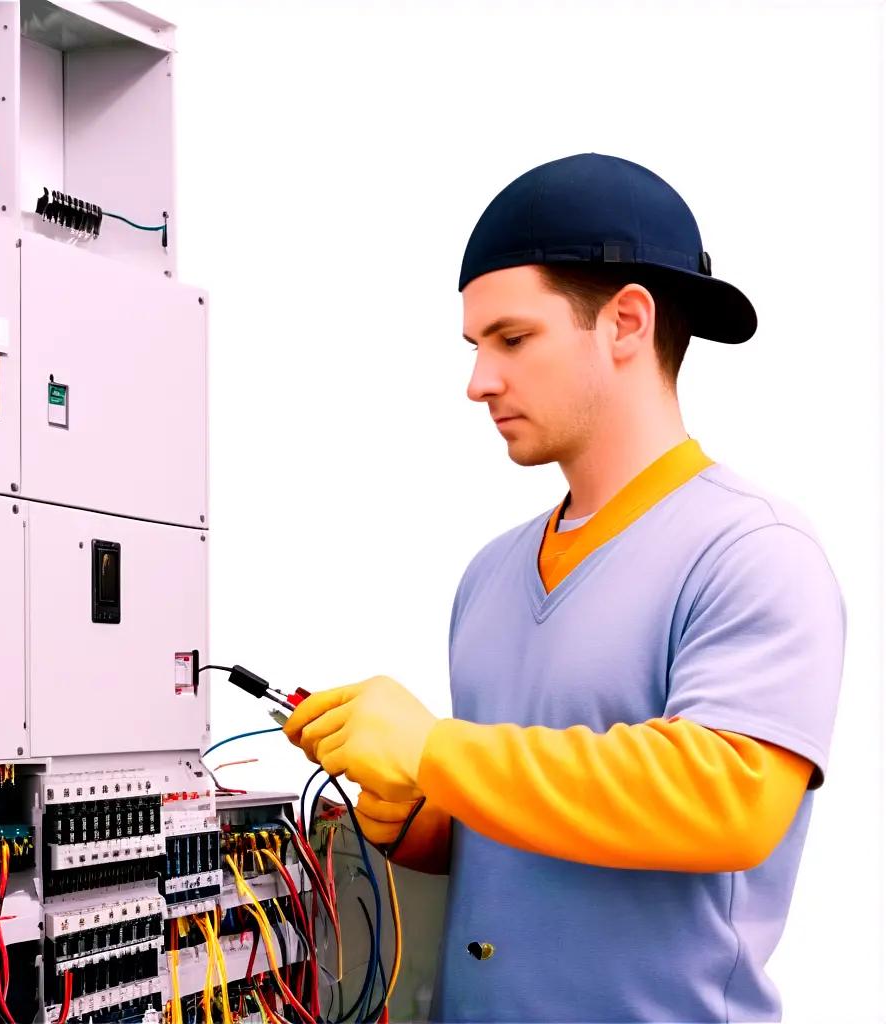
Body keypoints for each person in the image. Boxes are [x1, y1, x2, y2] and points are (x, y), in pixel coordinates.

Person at [283, 153, 846, 1023]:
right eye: (476, 348)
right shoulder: (491, 574)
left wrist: (435, 750)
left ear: (625, 323)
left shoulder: (751, 549)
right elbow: (517, 829)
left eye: (512, 339)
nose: (479, 382)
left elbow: (726, 800)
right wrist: (412, 812)